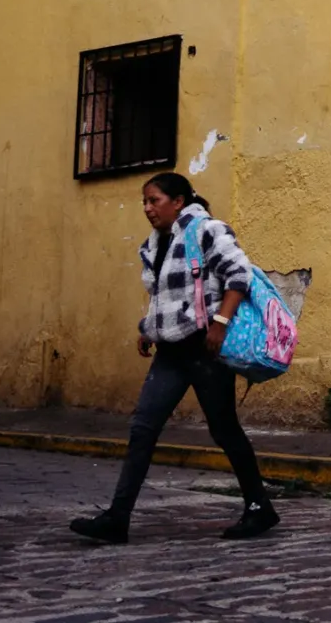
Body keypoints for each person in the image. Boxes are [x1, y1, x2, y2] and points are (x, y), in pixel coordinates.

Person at [70, 173, 278, 543]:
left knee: (224, 430)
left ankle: (259, 507)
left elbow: (239, 275)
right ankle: (117, 518)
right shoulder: (156, 243)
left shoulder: (208, 230)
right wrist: (148, 329)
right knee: (143, 428)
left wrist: (220, 323)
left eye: (154, 200)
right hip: (170, 352)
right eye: (144, 202)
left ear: (178, 201)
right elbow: (167, 295)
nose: (147, 208)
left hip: (205, 350)